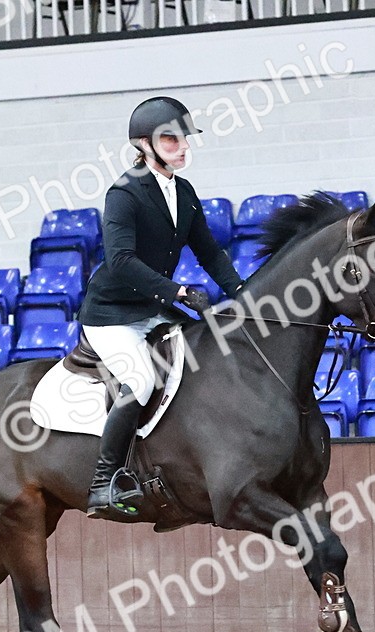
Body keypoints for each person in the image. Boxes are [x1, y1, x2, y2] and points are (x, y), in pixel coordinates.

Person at [77, 96, 243, 520]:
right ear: (144, 145)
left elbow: (210, 252)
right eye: (171, 139)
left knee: (206, 351)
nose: (183, 146)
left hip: (152, 307)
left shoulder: (183, 191)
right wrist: (179, 293)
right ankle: (103, 483)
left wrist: (243, 291)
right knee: (142, 380)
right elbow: (121, 262)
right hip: (113, 313)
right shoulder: (124, 194)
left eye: (184, 138)